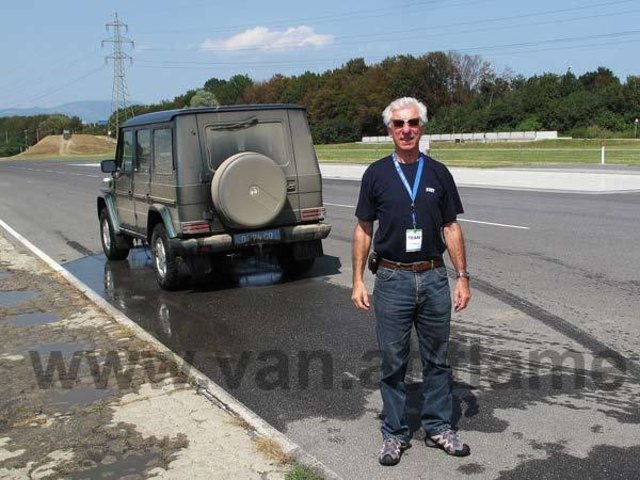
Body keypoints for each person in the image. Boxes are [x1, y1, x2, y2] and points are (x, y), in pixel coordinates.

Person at [351, 97, 471, 466]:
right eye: (399, 124)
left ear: (422, 127)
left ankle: (438, 427)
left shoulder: (438, 173)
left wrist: (462, 276)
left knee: (438, 360)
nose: (406, 130)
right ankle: (395, 433)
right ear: (389, 130)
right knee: (392, 361)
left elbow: (451, 227)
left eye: (413, 123)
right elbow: (363, 229)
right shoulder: (375, 174)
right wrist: (357, 280)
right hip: (391, 278)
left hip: (434, 276)